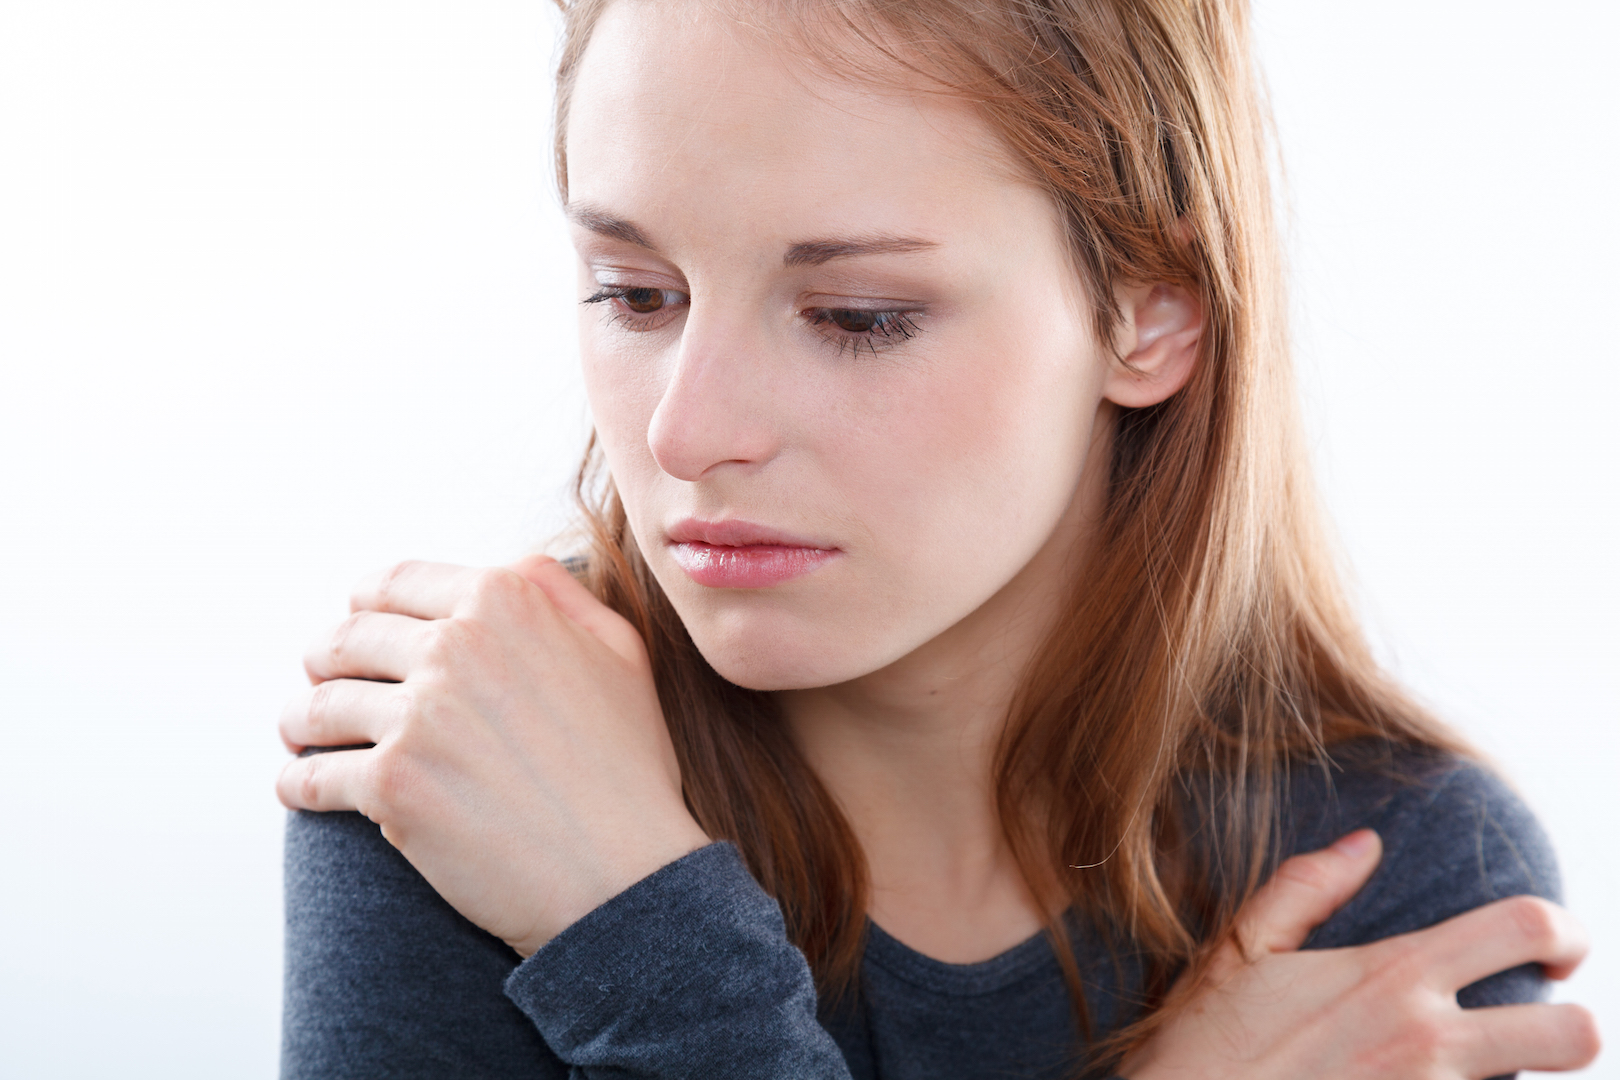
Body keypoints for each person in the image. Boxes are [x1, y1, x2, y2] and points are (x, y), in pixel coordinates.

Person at [275, 0, 1601, 1076]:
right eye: (637, 293)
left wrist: (637, 935)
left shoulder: (1390, 889)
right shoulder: (471, 753)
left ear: (1150, 313)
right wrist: (639, 926)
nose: (688, 433)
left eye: (856, 316)